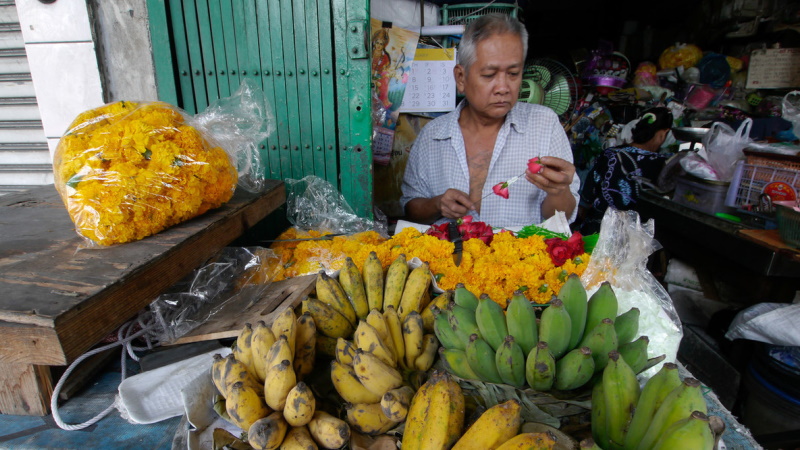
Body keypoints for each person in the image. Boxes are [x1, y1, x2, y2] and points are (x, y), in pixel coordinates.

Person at [399, 14, 579, 228]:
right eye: (489, 75)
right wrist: (438, 204)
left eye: (513, 73)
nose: (503, 87)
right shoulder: (433, 136)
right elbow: (410, 210)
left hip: (520, 259)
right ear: (461, 78)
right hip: (451, 260)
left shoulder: (545, 125)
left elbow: (561, 219)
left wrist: (559, 191)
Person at [577, 107, 674, 235]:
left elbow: (587, 196)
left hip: (597, 231)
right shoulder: (663, 163)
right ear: (663, 134)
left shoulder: (610, 154)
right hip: (637, 238)